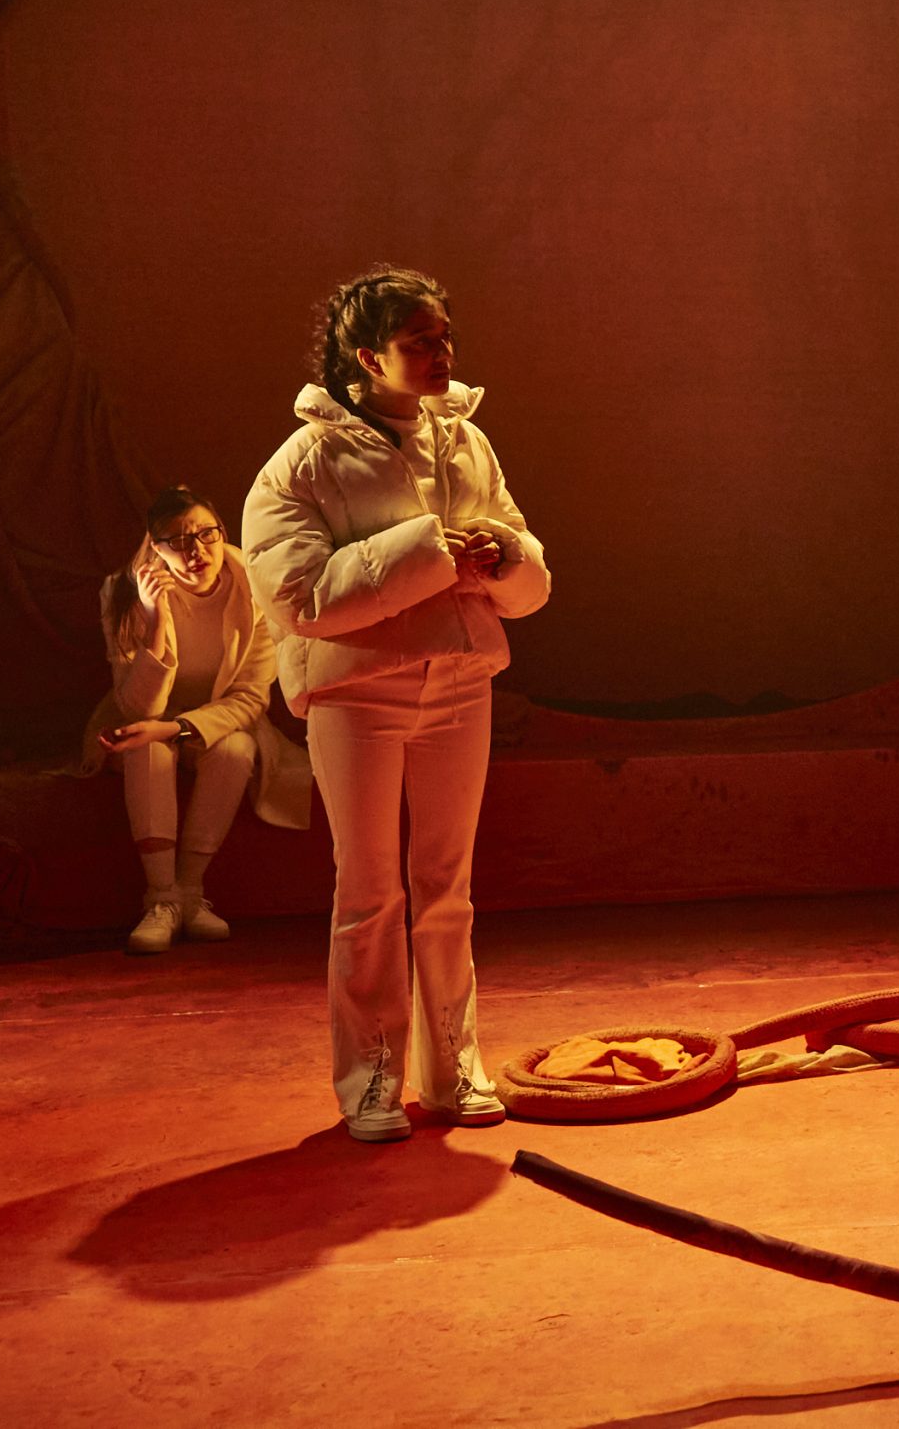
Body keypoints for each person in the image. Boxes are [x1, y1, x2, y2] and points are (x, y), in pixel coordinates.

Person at [243, 268, 551, 1143]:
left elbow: (526, 572)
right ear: (365, 354)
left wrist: (506, 556)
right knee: (370, 891)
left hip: (458, 684)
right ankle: (371, 1077)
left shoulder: (467, 442)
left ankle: (454, 1065)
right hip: (359, 697)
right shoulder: (300, 464)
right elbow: (298, 592)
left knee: (447, 889)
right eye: (418, 341)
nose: (439, 353)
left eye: (443, 337)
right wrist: (426, 551)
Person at [82, 486, 312, 954]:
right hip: (145, 720)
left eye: (206, 534)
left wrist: (176, 729)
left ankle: (190, 891)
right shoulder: (123, 591)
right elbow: (139, 711)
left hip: (221, 719)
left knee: (235, 749)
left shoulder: (255, 584)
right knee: (144, 747)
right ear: (154, 548)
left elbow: (250, 697)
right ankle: (162, 898)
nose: (196, 550)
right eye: (176, 541)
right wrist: (155, 619)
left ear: (221, 531)